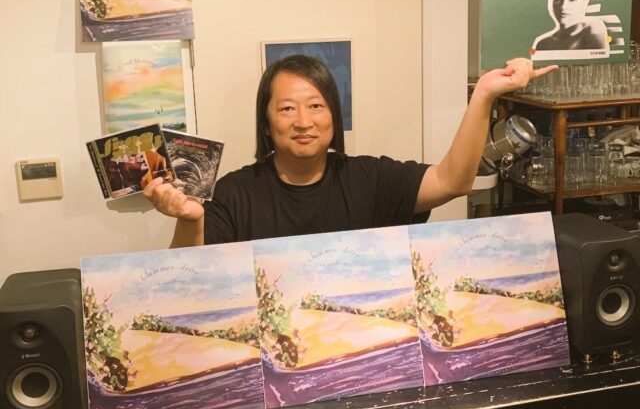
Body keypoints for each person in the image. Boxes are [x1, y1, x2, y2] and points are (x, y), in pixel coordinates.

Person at [144, 54, 556, 248]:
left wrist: (483, 94)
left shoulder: (369, 179)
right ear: (266, 123)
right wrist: (190, 219)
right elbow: (190, 280)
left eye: (316, 106)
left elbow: (453, 180)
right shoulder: (235, 193)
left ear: (334, 118)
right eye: (286, 109)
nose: (302, 121)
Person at [532, 0, 609, 53]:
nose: (563, 6)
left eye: (572, 0)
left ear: (584, 1)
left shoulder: (594, 29)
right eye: (558, 0)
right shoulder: (542, 44)